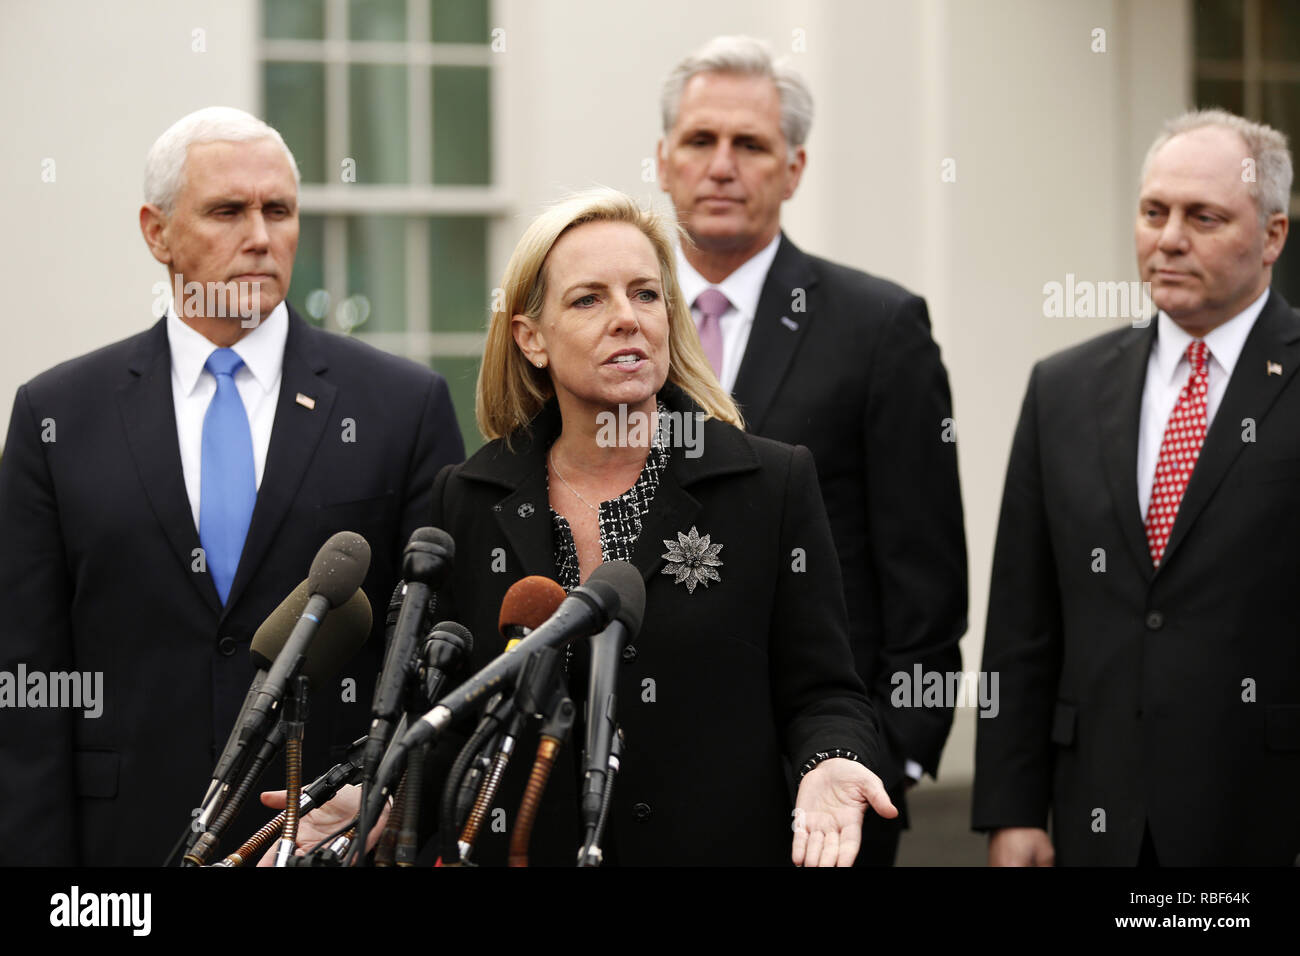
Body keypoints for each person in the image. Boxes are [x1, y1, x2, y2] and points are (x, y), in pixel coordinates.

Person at [0, 107, 464, 865]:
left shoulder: (399, 406)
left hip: (321, 838)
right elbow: (27, 677)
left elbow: (439, 651)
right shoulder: (57, 415)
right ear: (157, 232)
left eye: (278, 210)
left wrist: (382, 797)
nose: (260, 235)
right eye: (227, 211)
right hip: (121, 847)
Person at [380, 186, 893, 866]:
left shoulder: (769, 485)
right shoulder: (469, 498)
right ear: (531, 338)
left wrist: (831, 759)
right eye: (589, 299)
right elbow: (443, 711)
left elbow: (824, 691)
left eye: (646, 294)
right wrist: (382, 790)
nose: (627, 318)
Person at [655, 36, 967, 863]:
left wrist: (892, 757)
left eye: (750, 145)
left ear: (793, 169)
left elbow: (925, 578)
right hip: (644, 773)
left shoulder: (880, 329)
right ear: (662, 160)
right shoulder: (617, 322)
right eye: (700, 141)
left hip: (823, 780)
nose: (722, 166)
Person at [972, 109, 1300, 866]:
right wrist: (1012, 810)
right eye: (1154, 212)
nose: (1169, 238)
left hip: (1265, 819)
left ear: (1273, 235)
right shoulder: (1063, 388)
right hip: (1098, 814)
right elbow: (1023, 620)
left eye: (1204, 216)